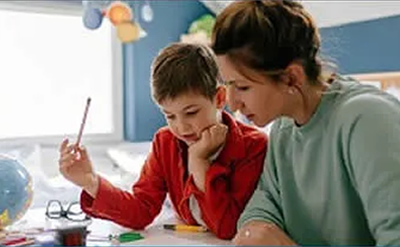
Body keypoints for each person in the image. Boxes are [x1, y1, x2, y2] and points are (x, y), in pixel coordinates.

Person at [211, 0, 400, 245]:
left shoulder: (368, 119)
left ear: (291, 78)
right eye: (228, 85)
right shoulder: (284, 128)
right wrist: (254, 229)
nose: (233, 103)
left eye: (243, 87)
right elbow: (263, 204)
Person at [58, 43, 267, 239]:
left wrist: (199, 163)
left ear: (220, 98)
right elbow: (141, 211)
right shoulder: (165, 141)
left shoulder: (254, 146)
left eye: (191, 112)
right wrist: (90, 182)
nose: (182, 128)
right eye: (170, 116)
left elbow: (229, 228)